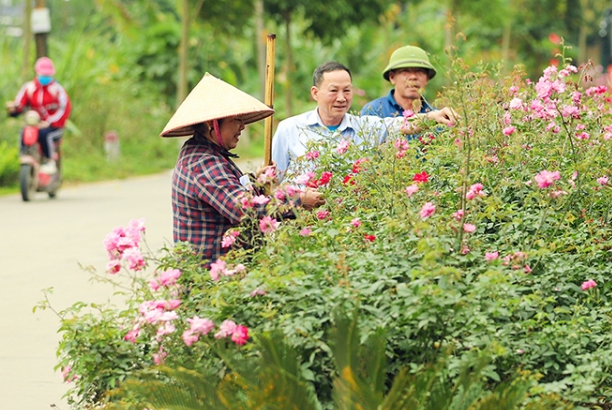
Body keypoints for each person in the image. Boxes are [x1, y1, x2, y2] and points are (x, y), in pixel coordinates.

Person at [162, 73, 322, 263]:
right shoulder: (202, 163)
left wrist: (259, 184)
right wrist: (299, 200)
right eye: (236, 120)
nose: (243, 127)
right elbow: (246, 210)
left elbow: (231, 194)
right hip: (212, 279)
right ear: (211, 124)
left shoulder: (208, 152)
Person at [272, 61, 458, 178]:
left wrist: (433, 116)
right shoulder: (290, 129)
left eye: (347, 90)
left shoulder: (364, 126)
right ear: (315, 93)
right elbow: (272, 182)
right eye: (333, 90)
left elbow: (402, 124)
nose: (341, 98)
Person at [7, 56, 71, 167]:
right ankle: (24, 155)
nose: (45, 77)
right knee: (24, 132)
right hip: (34, 123)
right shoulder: (29, 88)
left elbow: (64, 108)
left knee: (44, 134)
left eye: (47, 75)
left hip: (53, 126)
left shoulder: (57, 89)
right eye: (43, 74)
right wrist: (14, 108)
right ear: (37, 72)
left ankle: (49, 161)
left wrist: (49, 122)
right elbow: (20, 104)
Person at [362, 45, 438, 117]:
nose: (413, 77)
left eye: (419, 71)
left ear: (427, 79)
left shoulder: (436, 116)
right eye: (405, 71)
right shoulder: (374, 111)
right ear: (392, 77)